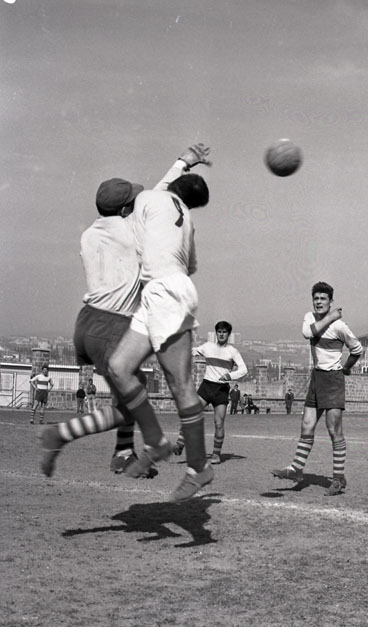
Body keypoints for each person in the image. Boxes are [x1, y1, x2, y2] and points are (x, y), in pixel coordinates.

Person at [39, 144, 211, 484]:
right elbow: (161, 196)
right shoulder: (133, 231)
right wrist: (183, 163)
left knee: (132, 390)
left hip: (87, 322)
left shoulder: (90, 235)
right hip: (113, 323)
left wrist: (182, 163)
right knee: (135, 397)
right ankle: (64, 435)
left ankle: (123, 451)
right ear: (124, 210)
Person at [105, 145, 215, 503]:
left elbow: (161, 186)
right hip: (161, 291)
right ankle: (155, 442)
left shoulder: (153, 199)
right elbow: (192, 266)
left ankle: (198, 467)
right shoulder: (186, 220)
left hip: (165, 291)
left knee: (180, 384)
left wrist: (183, 161)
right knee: (119, 367)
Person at [272, 281, 363, 496]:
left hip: (333, 380)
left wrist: (346, 368)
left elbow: (357, 349)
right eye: (316, 298)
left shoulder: (340, 327)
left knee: (334, 429)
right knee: (307, 424)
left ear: (331, 301)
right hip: (316, 378)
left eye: (323, 299)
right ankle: (296, 469)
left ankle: (338, 479)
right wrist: (330, 317)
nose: (319, 302)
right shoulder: (310, 318)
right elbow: (307, 332)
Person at [174, 321, 247, 463]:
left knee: (219, 422)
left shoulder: (233, 351)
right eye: (219, 332)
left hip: (221, 389)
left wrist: (229, 376)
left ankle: (216, 454)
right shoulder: (208, 346)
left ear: (228, 334)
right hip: (206, 386)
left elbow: (244, 369)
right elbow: (192, 351)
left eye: (224, 332)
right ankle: (180, 443)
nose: (221, 334)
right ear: (216, 333)